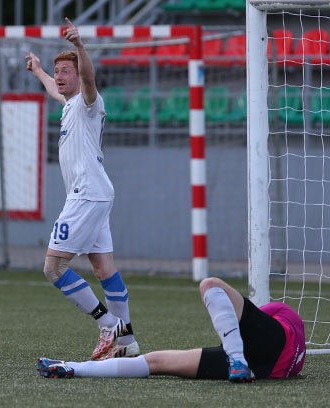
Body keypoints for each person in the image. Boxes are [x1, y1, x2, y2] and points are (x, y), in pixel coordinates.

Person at [25, 18, 138, 360]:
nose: (59, 76)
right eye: (57, 71)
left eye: (65, 71)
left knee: (54, 268)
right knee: (104, 270)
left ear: (78, 76)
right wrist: (39, 71)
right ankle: (127, 343)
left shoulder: (89, 102)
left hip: (87, 195)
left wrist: (80, 46)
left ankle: (108, 325)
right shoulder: (70, 104)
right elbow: (53, 88)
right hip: (96, 194)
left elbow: (89, 79)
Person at [37, 277, 306, 383]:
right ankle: (72, 367)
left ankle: (238, 361)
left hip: (256, 355)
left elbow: (238, 317)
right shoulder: (293, 349)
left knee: (210, 285)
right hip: (264, 369)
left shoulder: (280, 314)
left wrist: (236, 351)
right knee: (154, 362)